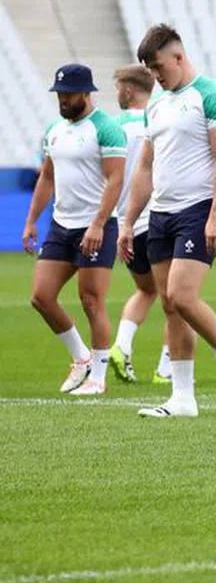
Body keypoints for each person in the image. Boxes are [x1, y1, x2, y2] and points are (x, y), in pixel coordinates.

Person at [119, 24, 216, 418]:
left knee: (182, 296)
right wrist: (128, 222)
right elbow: (144, 166)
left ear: (179, 57)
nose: (155, 76)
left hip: (197, 210)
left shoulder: (212, 97)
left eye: (158, 66)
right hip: (160, 213)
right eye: (150, 69)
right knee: (170, 307)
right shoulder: (157, 105)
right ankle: (182, 399)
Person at [23, 64, 126, 396]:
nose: (62, 100)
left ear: (86, 93)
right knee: (41, 297)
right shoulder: (54, 129)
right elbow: (47, 177)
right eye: (59, 94)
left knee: (91, 300)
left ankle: (98, 378)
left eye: (68, 94)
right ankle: (81, 358)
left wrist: (98, 224)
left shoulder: (105, 128)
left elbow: (116, 179)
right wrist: (30, 221)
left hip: (96, 226)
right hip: (61, 225)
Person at [107, 64, 173, 385]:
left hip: (124, 224)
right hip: (157, 219)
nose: (117, 93)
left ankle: (121, 346)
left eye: (118, 87)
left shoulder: (112, 128)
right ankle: (166, 368)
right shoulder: (158, 122)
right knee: (178, 297)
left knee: (145, 289)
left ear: (129, 90)